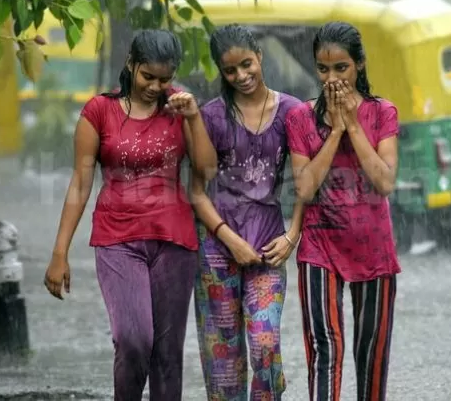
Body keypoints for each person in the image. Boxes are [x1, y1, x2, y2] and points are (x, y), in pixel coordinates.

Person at [43, 29, 217, 401]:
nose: (155, 86)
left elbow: (206, 170)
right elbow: (80, 182)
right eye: (147, 76)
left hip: (175, 242)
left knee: (168, 357)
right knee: (134, 340)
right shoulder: (99, 111)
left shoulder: (180, 108)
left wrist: (194, 118)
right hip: (117, 240)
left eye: (164, 78)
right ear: (130, 64)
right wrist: (60, 252)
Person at [285, 21, 401, 401]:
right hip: (320, 244)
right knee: (325, 350)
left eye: (341, 68)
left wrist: (352, 124)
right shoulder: (301, 117)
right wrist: (333, 131)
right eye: (323, 69)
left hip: (374, 245)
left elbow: (384, 182)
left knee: (372, 354)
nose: (332, 78)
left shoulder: (383, 112)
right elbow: (304, 187)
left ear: (360, 65)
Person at [189, 23, 304, 400]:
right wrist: (230, 240)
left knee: (265, 343)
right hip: (217, 248)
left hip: (270, 245)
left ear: (260, 56)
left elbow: (307, 182)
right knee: (223, 358)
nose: (241, 76)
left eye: (247, 64)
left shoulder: (292, 112)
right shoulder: (212, 117)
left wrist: (293, 236)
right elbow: (197, 192)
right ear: (221, 72)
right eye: (230, 70)